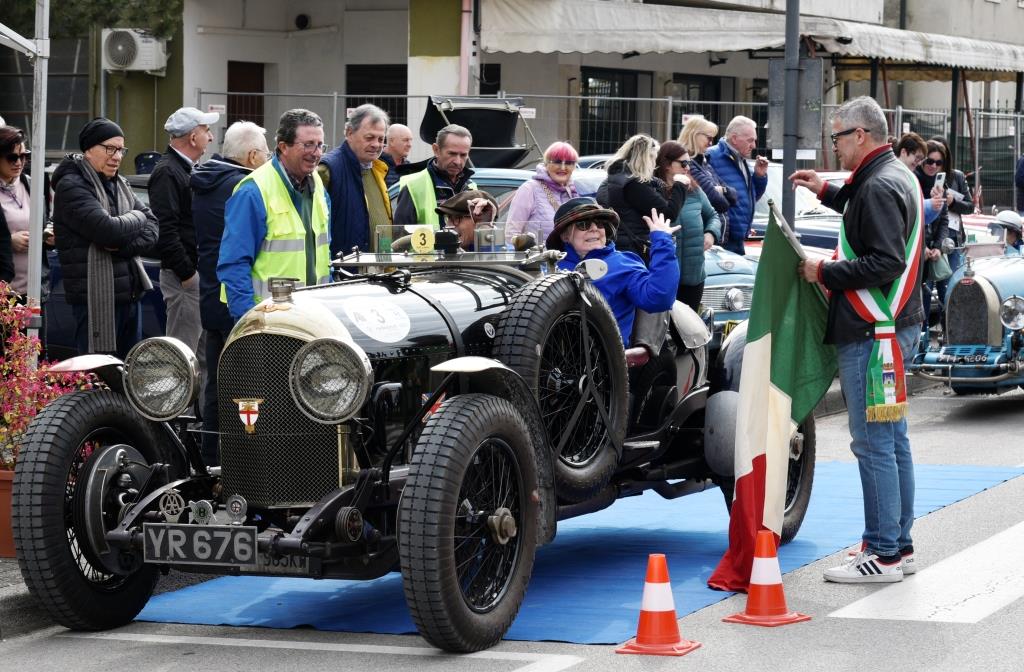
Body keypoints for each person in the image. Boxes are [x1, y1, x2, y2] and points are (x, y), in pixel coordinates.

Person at [791, 96, 924, 583]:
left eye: (837, 138)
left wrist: (824, 269)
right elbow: (864, 203)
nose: (834, 146)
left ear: (860, 136)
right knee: (892, 440)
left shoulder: (877, 187)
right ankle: (898, 544)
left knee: (873, 444)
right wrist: (826, 189)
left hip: (873, 331)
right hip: (892, 327)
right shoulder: (893, 174)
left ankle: (884, 552)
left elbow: (884, 260)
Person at [191, 120, 271, 465]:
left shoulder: (204, 183)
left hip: (212, 295)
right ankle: (246, 462)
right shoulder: (245, 188)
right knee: (248, 389)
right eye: (267, 154)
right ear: (253, 156)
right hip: (238, 300)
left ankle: (211, 457)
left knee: (217, 386)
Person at [52, 117, 158, 358]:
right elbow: (107, 230)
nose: (117, 156)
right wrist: (137, 216)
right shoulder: (71, 186)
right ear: (89, 149)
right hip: (96, 301)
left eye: (121, 149)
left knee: (127, 377)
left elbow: (153, 226)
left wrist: (122, 247)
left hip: (130, 294)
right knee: (98, 376)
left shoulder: (119, 182)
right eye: (110, 148)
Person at [218, 109, 331, 322]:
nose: (316, 153)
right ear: (283, 147)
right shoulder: (253, 191)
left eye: (320, 145)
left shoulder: (317, 184)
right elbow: (234, 263)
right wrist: (248, 321)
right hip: (268, 321)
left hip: (313, 316)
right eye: (308, 144)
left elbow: (324, 255)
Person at [547, 197, 679, 345]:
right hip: (550, 357)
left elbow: (658, 299)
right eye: (583, 224)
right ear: (565, 236)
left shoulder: (623, 264)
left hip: (606, 360)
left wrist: (662, 242)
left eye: (600, 223)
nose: (594, 228)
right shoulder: (551, 266)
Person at [151, 106, 219, 361]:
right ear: (193, 137)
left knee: (198, 358)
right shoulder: (168, 171)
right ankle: (179, 404)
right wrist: (188, 275)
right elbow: (165, 229)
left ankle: (197, 404)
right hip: (184, 278)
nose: (210, 137)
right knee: (182, 359)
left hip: (189, 275)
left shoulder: (182, 169)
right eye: (206, 131)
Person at [597, 133, 687, 261]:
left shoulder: (613, 178)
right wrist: (680, 186)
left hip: (619, 245)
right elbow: (668, 214)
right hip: (634, 249)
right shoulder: (634, 185)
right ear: (646, 158)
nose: (654, 165)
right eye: (653, 159)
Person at [655, 141, 721, 313]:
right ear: (667, 164)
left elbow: (713, 215)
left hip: (694, 276)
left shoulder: (694, 190)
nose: (687, 167)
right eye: (683, 163)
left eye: (689, 163)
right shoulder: (654, 191)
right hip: (665, 275)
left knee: (689, 328)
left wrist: (711, 233)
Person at [318, 104, 392, 257]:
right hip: (345, 274)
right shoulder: (328, 170)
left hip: (378, 270)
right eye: (369, 137)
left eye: (381, 139)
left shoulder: (377, 169)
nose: (376, 144)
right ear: (349, 133)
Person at [707, 115, 768, 255]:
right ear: (734, 139)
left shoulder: (740, 159)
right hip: (721, 239)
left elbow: (750, 198)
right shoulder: (711, 156)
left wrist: (759, 176)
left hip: (737, 238)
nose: (754, 146)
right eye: (750, 140)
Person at [394, 124, 476, 227]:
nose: (458, 161)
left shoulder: (471, 187)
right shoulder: (413, 186)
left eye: (463, 155)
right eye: (452, 154)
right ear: (436, 150)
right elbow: (401, 236)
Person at [505, 141, 580, 241]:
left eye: (568, 163)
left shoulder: (573, 192)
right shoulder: (530, 189)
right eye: (557, 162)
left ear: (574, 167)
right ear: (546, 164)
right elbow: (511, 234)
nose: (562, 167)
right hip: (536, 256)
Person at [678, 117, 735, 247]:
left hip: (711, 237)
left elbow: (734, 196)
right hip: (701, 238)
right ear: (694, 135)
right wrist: (721, 192)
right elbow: (719, 203)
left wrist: (723, 190)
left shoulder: (703, 163)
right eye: (709, 138)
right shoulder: (689, 165)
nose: (711, 143)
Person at [915, 140, 951, 326]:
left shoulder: (940, 186)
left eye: (938, 163)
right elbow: (909, 218)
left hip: (933, 251)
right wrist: (923, 247)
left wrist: (938, 247)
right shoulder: (912, 180)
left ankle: (936, 337)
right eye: (929, 161)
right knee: (921, 299)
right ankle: (921, 339)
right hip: (916, 249)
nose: (933, 166)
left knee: (940, 293)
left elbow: (944, 220)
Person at [380, 123, 414, 188]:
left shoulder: (408, 166)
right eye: (405, 140)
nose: (410, 145)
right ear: (391, 141)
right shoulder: (375, 165)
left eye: (410, 140)